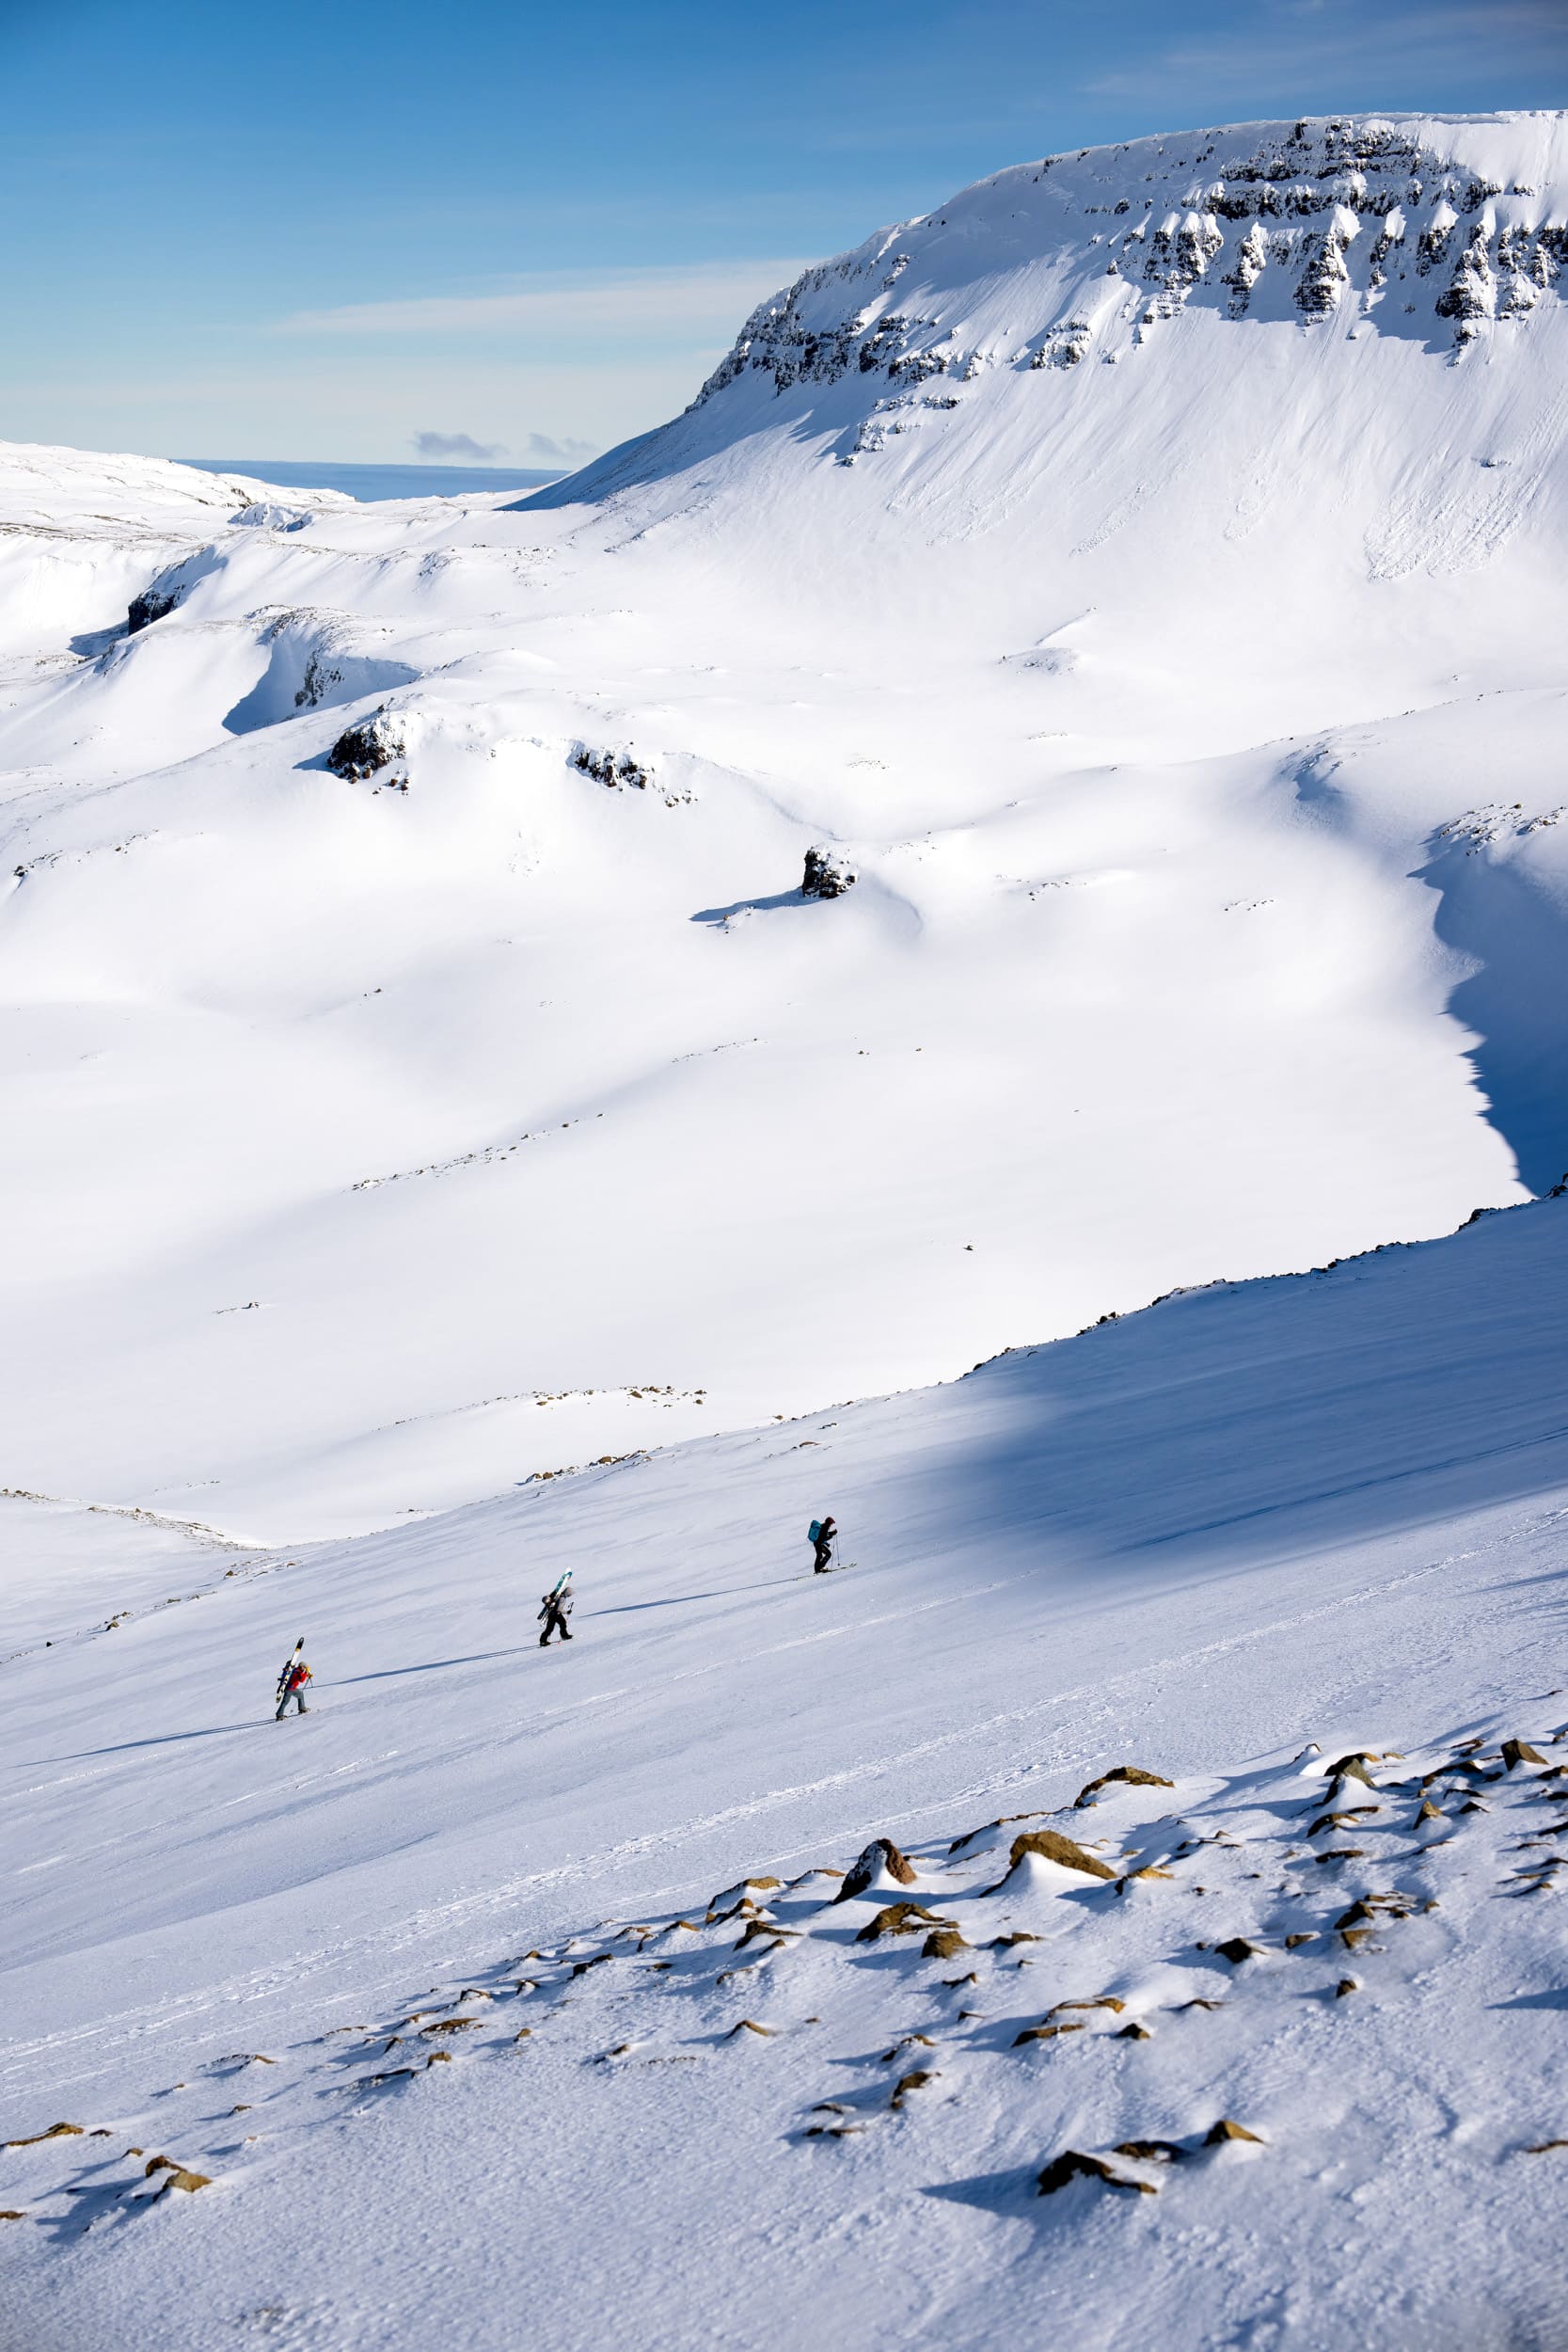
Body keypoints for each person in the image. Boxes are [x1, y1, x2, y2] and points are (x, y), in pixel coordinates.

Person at [276, 1652, 312, 1718]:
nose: (305, 1669)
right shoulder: (296, 1672)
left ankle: (302, 1708)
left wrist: (307, 1675)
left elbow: (300, 1676)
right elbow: (301, 1680)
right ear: (302, 1667)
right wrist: (305, 1673)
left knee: (300, 1694)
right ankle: (279, 1715)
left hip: (293, 1688)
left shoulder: (297, 1670)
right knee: (285, 1702)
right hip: (289, 1689)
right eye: (305, 1667)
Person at [538, 1582, 574, 1646]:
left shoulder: (558, 1595)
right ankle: (564, 1635)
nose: (570, 1595)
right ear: (568, 1593)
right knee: (563, 1624)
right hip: (556, 1614)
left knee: (549, 1628)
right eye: (570, 1594)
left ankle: (543, 1641)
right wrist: (567, 1612)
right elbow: (559, 1609)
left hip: (551, 1614)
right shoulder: (562, 1598)